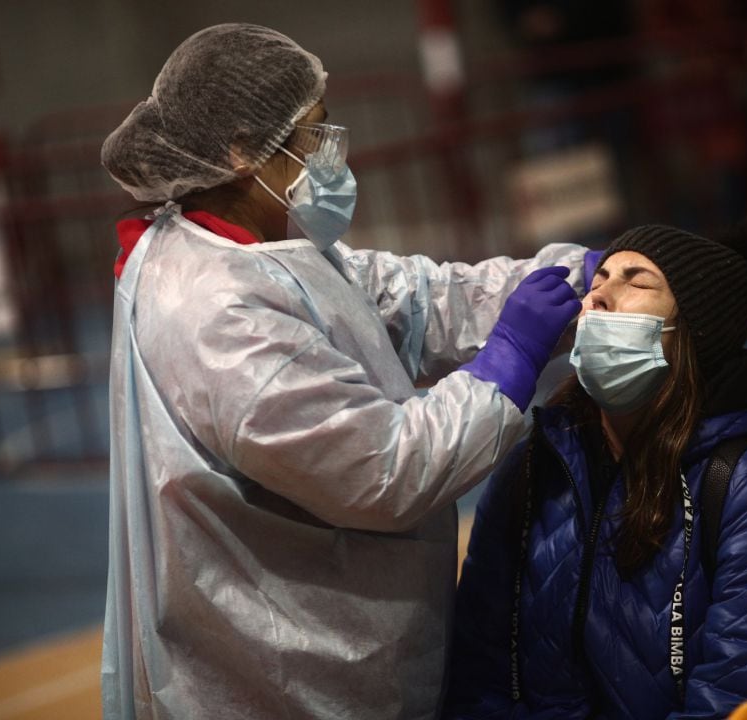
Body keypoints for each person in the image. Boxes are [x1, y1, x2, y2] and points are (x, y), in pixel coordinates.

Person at [99, 23, 599, 720]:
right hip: (287, 677)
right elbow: (387, 470)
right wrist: (507, 362)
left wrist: (561, 278)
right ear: (244, 151)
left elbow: (406, 299)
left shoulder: (253, 246)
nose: (331, 154)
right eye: (314, 133)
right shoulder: (217, 316)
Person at [445, 221, 747, 719]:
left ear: (691, 335)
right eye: (598, 279)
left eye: (637, 282)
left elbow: (742, 694)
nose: (599, 295)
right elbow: (478, 676)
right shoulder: (536, 465)